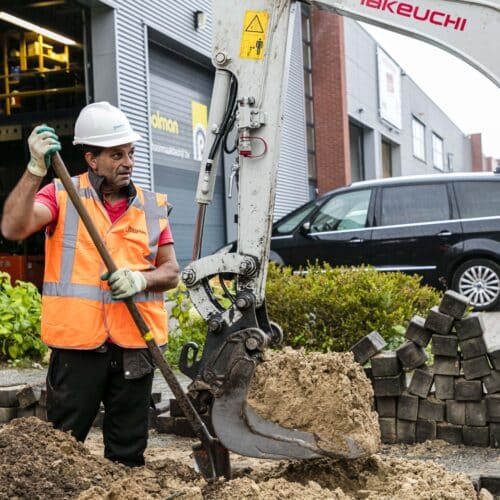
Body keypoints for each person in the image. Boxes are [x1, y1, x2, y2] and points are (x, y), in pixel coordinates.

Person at [1, 101, 180, 467]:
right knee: (62, 451)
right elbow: (13, 228)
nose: (128, 162)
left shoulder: (151, 206)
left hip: (135, 346)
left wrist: (139, 278)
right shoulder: (61, 194)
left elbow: (171, 272)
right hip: (78, 348)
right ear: (92, 159)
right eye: (117, 154)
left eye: (130, 153)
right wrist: (35, 170)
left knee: (128, 455)